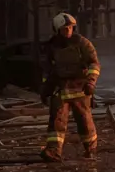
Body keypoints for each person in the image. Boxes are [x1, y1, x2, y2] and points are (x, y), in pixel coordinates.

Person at [40, 12, 100, 162]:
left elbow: (94, 63)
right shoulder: (51, 46)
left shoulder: (82, 43)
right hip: (60, 88)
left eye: (70, 28)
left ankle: (90, 149)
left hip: (80, 87)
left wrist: (91, 82)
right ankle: (53, 152)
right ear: (57, 30)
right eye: (64, 29)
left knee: (84, 121)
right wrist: (46, 89)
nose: (67, 31)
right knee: (56, 122)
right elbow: (48, 69)